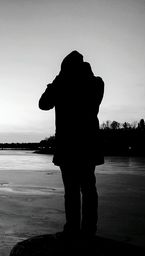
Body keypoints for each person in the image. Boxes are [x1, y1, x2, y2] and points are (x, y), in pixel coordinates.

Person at [39, 50, 104, 238]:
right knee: (87, 189)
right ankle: (86, 230)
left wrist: (58, 79)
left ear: (64, 69)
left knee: (74, 191)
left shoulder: (63, 85)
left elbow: (43, 103)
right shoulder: (95, 83)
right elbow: (43, 104)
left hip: (70, 146)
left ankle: (74, 230)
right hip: (87, 145)